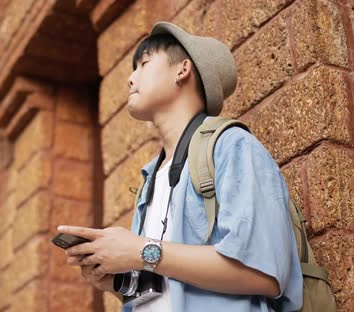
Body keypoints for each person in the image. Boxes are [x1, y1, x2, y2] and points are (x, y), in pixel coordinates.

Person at [57, 21, 303, 311]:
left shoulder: (232, 146)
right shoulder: (150, 180)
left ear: (182, 70)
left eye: (144, 64)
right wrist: (117, 281)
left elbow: (264, 273)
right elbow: (167, 285)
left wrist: (140, 251)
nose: (130, 79)